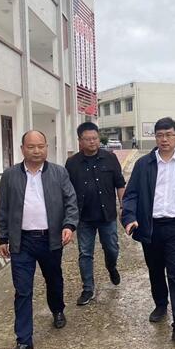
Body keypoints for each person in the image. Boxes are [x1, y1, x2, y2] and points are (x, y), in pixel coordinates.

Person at [0, 130, 78, 349]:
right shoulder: (10, 175)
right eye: (31, 147)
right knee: (22, 290)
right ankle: (24, 340)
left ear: (46, 148)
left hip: (50, 239)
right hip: (21, 241)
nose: (36, 151)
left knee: (54, 279)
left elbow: (71, 202)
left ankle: (57, 309)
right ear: (22, 149)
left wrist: (69, 225)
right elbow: (3, 208)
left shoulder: (59, 173)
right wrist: (3, 238)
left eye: (41, 146)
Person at [121, 117, 175, 341]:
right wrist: (129, 217)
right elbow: (131, 195)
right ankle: (160, 304)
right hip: (151, 226)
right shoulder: (143, 165)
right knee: (156, 269)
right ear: (155, 138)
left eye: (169, 135)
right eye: (160, 135)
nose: (164, 139)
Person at [65, 122, 126, 306]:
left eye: (95, 138)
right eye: (87, 139)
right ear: (80, 141)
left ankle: (111, 266)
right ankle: (88, 289)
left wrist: (124, 207)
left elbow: (120, 184)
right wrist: (68, 219)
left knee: (112, 248)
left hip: (107, 216)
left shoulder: (110, 158)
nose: (92, 142)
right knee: (85, 253)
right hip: (84, 218)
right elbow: (67, 192)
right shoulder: (72, 163)